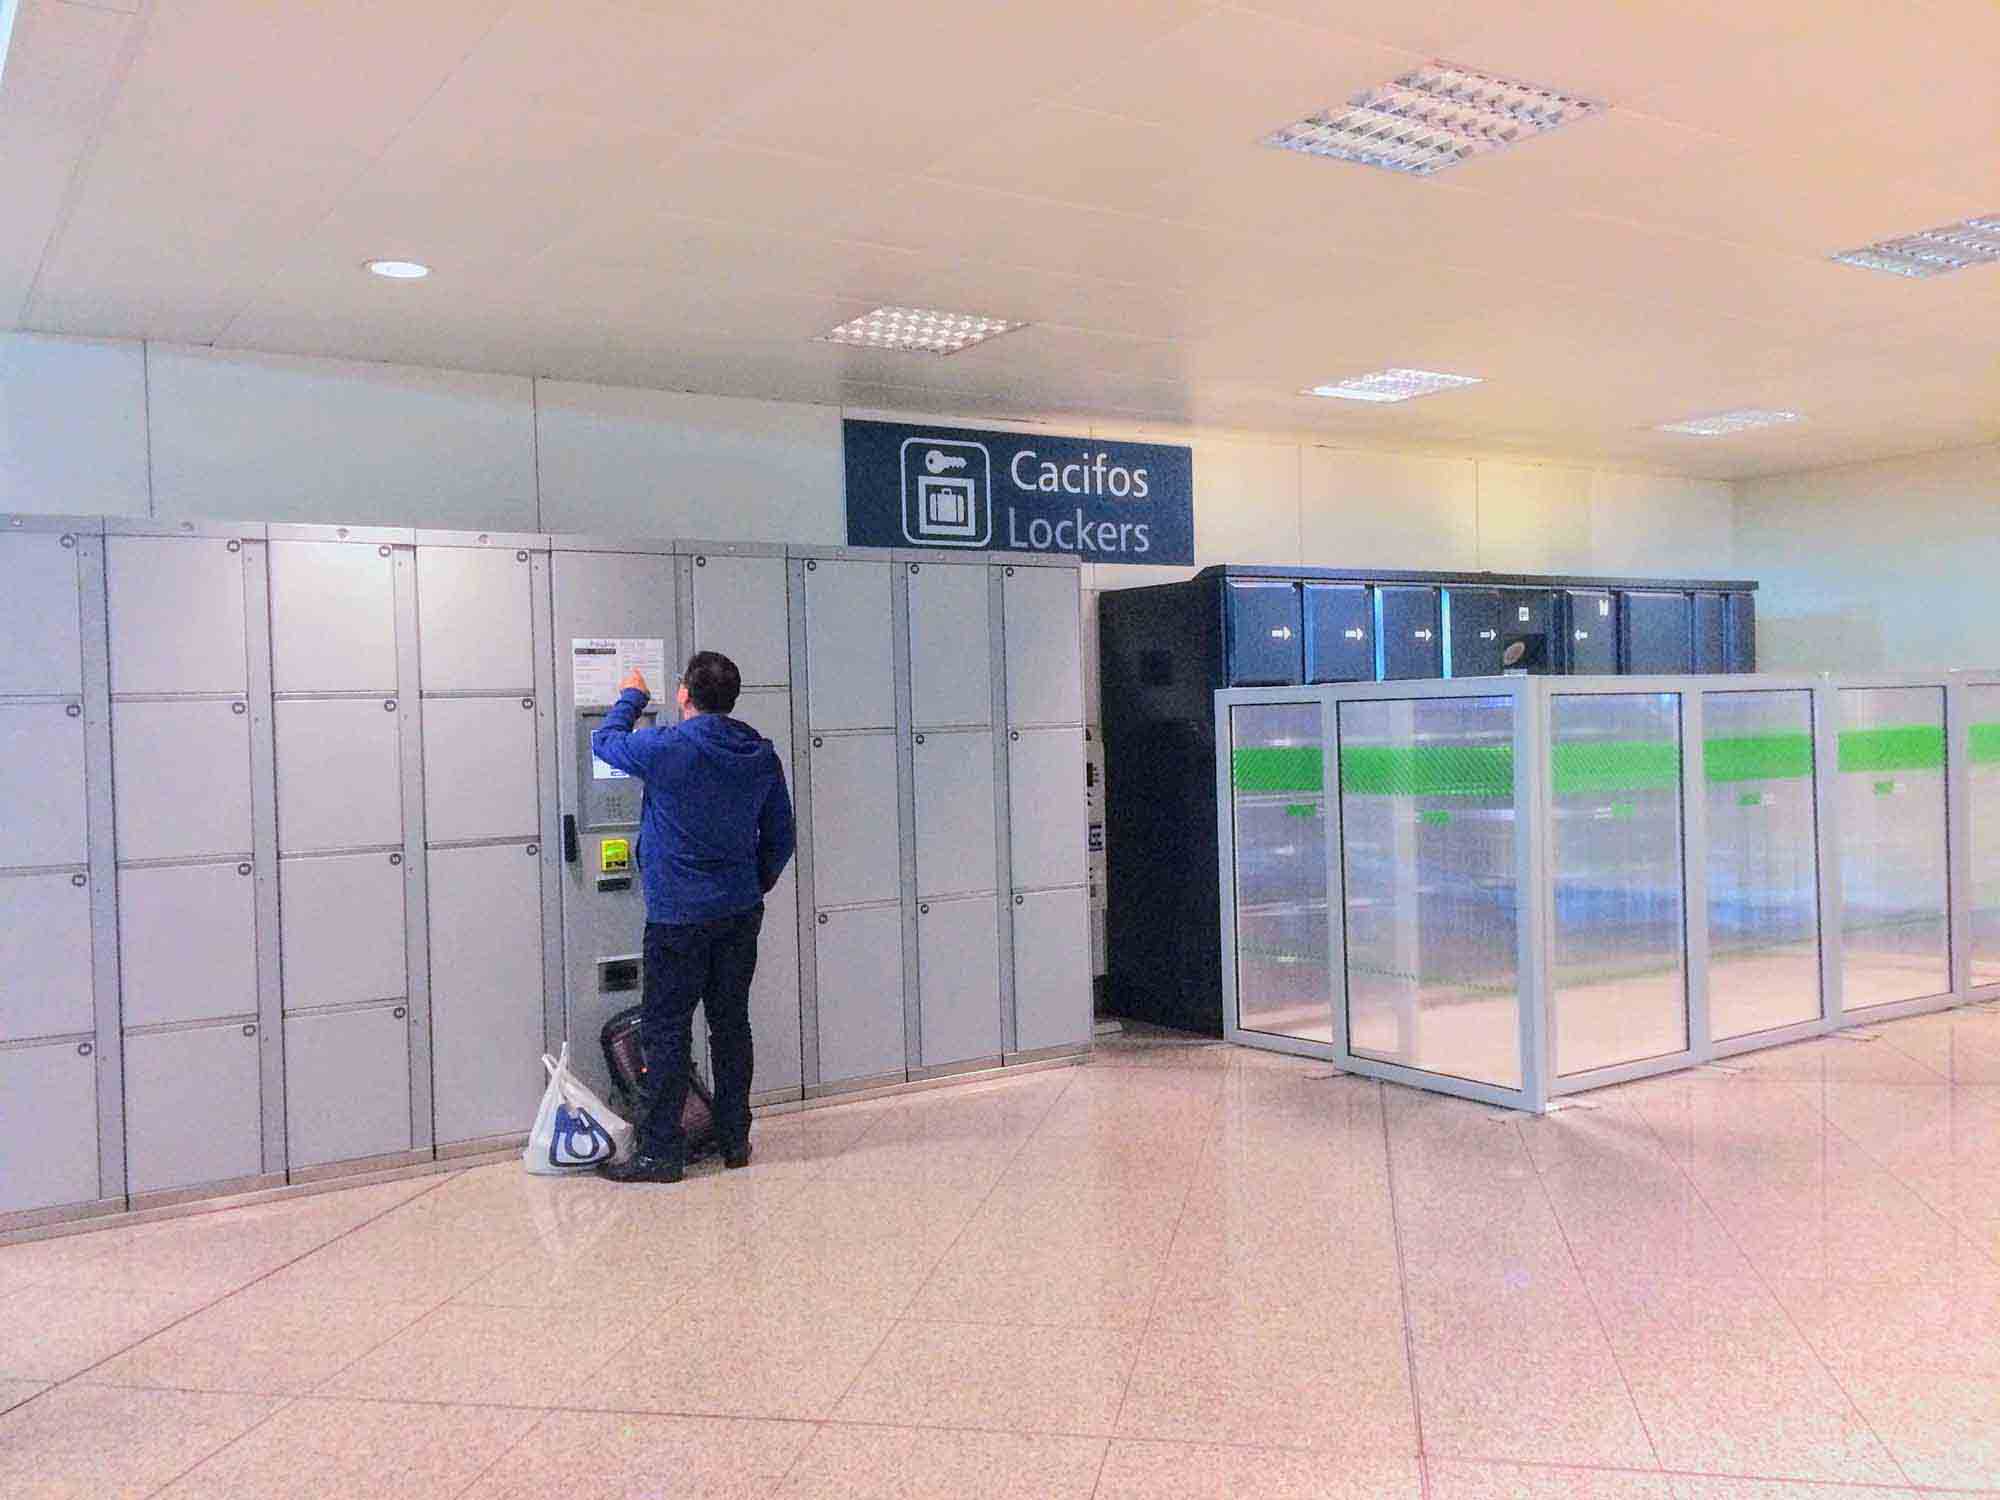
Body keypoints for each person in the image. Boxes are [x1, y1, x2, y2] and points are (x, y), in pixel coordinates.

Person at [588, 650, 795, 1183]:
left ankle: (660, 1152)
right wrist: (752, 884)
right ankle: (734, 1140)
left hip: (678, 917)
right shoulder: (759, 752)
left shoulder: (668, 747)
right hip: (738, 913)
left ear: (683, 694)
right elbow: (781, 837)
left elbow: (604, 742)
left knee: (667, 1030)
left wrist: (632, 694)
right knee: (730, 1026)